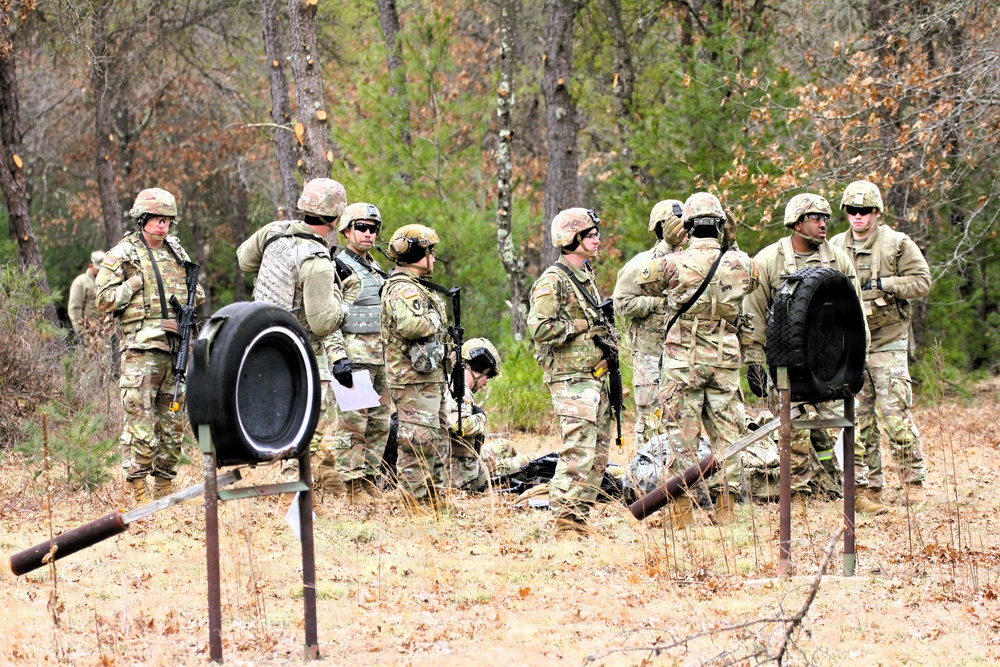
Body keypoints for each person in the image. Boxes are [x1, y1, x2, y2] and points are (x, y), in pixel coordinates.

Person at [635, 192, 761, 526]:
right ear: (721, 225)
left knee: (681, 439)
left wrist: (673, 243)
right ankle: (727, 508)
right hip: (724, 363)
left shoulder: (674, 263)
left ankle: (682, 513)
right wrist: (731, 245)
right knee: (729, 436)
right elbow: (756, 279)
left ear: (687, 226)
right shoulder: (742, 263)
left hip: (683, 364)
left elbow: (642, 279)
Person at [742, 193, 868, 507]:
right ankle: (796, 493)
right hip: (785, 363)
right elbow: (754, 314)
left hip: (829, 363)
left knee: (836, 429)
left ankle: (841, 488)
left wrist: (857, 361)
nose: (824, 224)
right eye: (816, 218)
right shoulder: (769, 260)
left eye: (825, 218)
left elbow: (855, 314)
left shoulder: (838, 259)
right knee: (792, 433)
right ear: (797, 223)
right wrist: (754, 363)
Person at [236, 178, 349, 490]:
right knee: (307, 419)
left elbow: (244, 260)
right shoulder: (317, 260)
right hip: (298, 350)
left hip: (259, 340)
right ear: (337, 217)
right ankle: (296, 493)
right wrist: (346, 303)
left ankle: (295, 490)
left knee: (284, 415)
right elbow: (324, 323)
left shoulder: (274, 231)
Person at [96, 188, 205, 504]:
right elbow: (103, 300)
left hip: (174, 352)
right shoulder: (123, 255)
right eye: (157, 220)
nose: (163, 226)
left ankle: (164, 488)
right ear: (142, 219)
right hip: (140, 354)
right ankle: (139, 492)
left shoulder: (176, 253)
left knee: (172, 429)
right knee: (141, 426)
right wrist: (131, 285)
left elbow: (195, 294)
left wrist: (187, 306)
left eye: (167, 220)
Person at [831, 180, 931, 507]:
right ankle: (866, 486)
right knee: (858, 421)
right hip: (852, 345)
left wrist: (887, 284)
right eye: (852, 210)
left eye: (865, 211)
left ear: (876, 212)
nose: (858, 217)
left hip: (888, 341)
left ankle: (912, 481)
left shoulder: (897, 244)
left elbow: (921, 282)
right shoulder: (833, 246)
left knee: (895, 414)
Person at [527, 208, 612, 535]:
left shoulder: (584, 276)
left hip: (593, 375)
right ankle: (563, 524)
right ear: (571, 239)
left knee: (597, 454)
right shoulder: (553, 280)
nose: (596, 240)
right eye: (589, 235)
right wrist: (585, 324)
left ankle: (577, 519)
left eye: (595, 234)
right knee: (577, 451)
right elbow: (540, 328)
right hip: (570, 378)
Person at [322, 202, 391, 502]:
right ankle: (352, 488)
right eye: (361, 227)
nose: (367, 233)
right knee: (353, 426)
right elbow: (329, 318)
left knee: (379, 424)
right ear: (347, 230)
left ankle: (368, 481)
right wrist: (338, 357)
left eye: (372, 228)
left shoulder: (375, 267)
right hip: (354, 358)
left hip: (381, 358)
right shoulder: (337, 267)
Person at [380, 224, 452, 508]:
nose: (433, 257)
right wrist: (436, 319)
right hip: (412, 378)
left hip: (425, 376)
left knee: (434, 437)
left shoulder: (416, 287)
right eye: (429, 251)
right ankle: (414, 503)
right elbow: (411, 325)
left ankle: (433, 499)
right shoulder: (404, 289)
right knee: (417, 441)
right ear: (416, 253)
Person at [612, 199, 686, 448]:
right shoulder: (640, 264)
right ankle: (650, 477)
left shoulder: (697, 262)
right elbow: (621, 304)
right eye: (675, 225)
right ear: (661, 228)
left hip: (688, 355)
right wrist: (655, 304)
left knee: (684, 423)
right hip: (651, 355)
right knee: (653, 421)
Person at [447, 337, 503, 490]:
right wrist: (481, 417)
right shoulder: (460, 390)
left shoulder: (451, 384)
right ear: (478, 370)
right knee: (524, 461)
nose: (485, 383)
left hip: (466, 465)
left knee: (506, 446)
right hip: (464, 474)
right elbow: (459, 425)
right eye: (488, 376)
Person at [68, 250, 105, 335]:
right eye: (98, 269)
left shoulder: (106, 282)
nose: (101, 271)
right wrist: (81, 331)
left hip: (105, 332)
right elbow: (74, 308)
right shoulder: (80, 283)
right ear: (91, 266)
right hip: (89, 333)